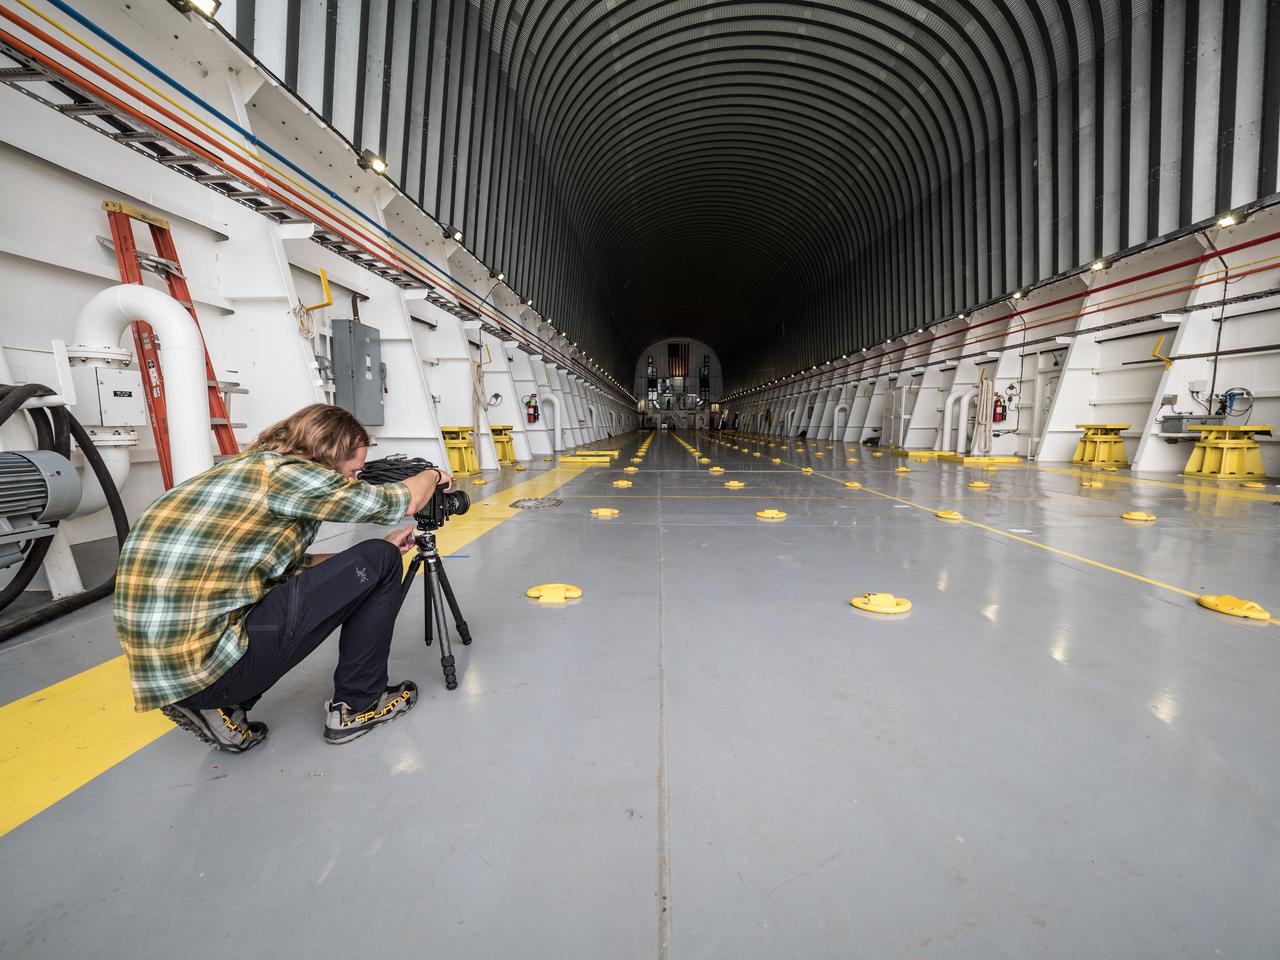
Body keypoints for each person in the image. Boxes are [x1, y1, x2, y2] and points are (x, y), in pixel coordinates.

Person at [113, 403, 452, 752]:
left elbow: (285, 567)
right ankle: (359, 706)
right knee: (381, 558)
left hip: (175, 669)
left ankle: (217, 707)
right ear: (329, 452)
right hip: (209, 669)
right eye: (352, 471)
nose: (351, 481)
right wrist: (434, 476)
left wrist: (358, 566)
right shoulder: (290, 476)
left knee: (374, 558)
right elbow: (398, 502)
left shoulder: (249, 469)